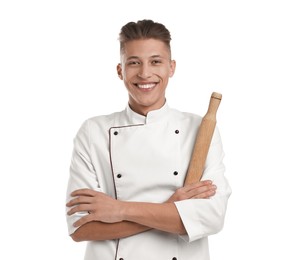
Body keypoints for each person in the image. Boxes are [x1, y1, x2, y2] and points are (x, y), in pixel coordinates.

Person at [66, 19, 231, 260]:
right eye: (134, 63)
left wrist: (120, 209)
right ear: (120, 70)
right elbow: (81, 229)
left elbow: (211, 217)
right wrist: (171, 209)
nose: (145, 73)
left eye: (156, 61)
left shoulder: (200, 130)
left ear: (171, 67)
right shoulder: (93, 132)